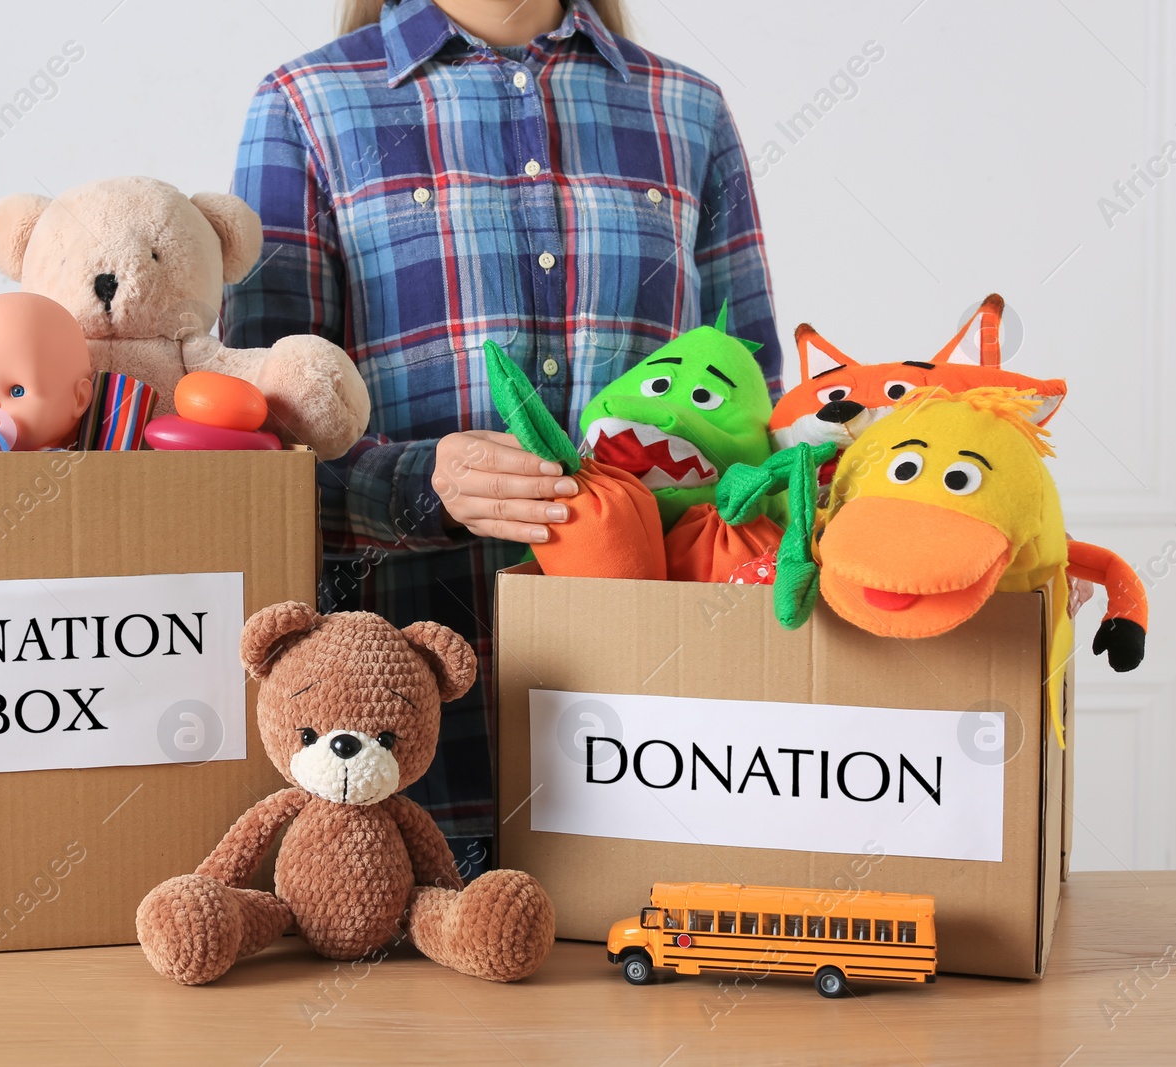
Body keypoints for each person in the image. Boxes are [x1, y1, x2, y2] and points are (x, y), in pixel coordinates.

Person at [223, 0, 780, 869]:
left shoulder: (687, 109)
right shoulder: (308, 104)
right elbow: (254, 445)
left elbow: (757, 417)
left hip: (664, 746)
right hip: (409, 766)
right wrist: (421, 483)